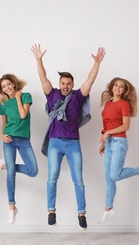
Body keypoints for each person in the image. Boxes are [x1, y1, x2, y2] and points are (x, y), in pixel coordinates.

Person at [31, 44, 105, 229]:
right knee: (52, 177)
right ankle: (51, 211)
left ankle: (81, 213)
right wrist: (39, 60)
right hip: (56, 142)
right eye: (63, 83)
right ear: (60, 85)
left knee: (78, 179)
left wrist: (97, 63)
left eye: (68, 84)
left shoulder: (78, 96)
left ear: (72, 85)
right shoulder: (52, 94)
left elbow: (90, 80)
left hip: (73, 144)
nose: (65, 86)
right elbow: (43, 78)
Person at [98, 77, 139, 224]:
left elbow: (125, 126)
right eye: (116, 85)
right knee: (108, 178)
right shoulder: (107, 104)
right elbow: (107, 125)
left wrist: (107, 134)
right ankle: (108, 209)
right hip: (110, 143)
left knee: (115, 175)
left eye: (121, 87)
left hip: (119, 142)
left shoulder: (124, 104)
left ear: (125, 91)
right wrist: (104, 141)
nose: (118, 88)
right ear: (112, 87)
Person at [0, 74, 39, 225]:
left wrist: (18, 97)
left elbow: (23, 114)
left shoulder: (25, 96)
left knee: (33, 171)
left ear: (13, 84)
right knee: (11, 175)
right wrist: (1, 135)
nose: (6, 88)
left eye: (8, 84)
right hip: (9, 140)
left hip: (24, 140)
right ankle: (12, 207)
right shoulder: (3, 103)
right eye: (3, 87)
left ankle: (6, 165)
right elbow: (3, 123)